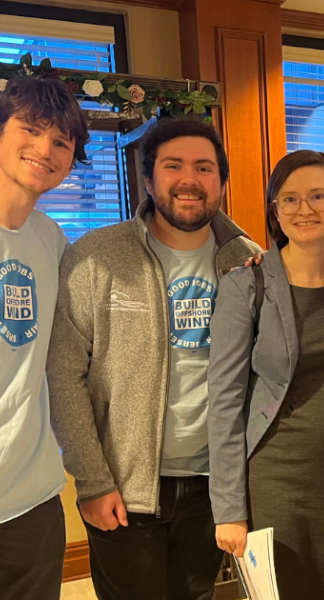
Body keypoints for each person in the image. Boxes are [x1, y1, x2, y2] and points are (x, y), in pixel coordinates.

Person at [47, 117, 261, 600]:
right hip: (126, 488)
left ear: (221, 182)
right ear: (148, 180)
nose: (189, 179)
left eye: (204, 168)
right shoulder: (95, 258)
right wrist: (93, 481)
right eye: (173, 166)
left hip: (214, 486)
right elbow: (63, 375)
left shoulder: (248, 260)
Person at [208, 150, 324, 600]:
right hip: (278, 481)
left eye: (318, 196)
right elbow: (223, 400)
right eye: (290, 199)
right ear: (274, 211)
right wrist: (229, 509)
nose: (305, 209)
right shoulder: (247, 286)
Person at [0, 76, 89, 600]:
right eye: (31, 130)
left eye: (61, 142)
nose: (44, 150)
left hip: (31, 499)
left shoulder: (50, 240)